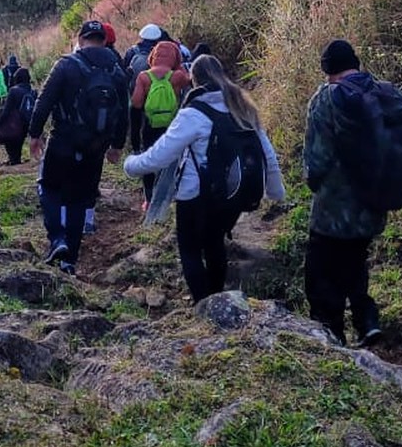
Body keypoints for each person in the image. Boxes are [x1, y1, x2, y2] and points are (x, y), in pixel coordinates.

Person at [125, 54, 285, 304]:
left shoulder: (194, 113)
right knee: (214, 243)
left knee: (190, 250)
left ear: (194, 80)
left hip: (195, 196)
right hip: (230, 195)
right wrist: (276, 191)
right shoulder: (242, 107)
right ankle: (217, 301)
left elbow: (159, 157)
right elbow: (268, 156)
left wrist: (130, 165)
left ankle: (203, 305)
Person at [29, 19, 129, 275]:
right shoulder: (117, 70)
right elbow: (124, 112)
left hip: (62, 141)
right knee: (79, 199)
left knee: (49, 187)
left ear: (80, 39)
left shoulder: (66, 65)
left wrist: (35, 134)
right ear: (104, 41)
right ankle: (69, 261)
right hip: (96, 146)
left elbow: (44, 101)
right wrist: (117, 145)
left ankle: (57, 239)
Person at [303, 39, 385, 347]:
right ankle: (367, 321)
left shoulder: (326, 99)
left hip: (332, 209)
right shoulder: (379, 92)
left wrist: (312, 181)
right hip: (372, 204)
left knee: (321, 274)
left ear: (327, 70)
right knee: (354, 262)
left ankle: (331, 338)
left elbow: (317, 159)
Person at [130, 39, 191, 203]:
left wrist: (134, 139)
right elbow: (190, 81)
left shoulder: (144, 77)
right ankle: (166, 197)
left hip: (149, 125)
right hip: (171, 126)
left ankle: (148, 199)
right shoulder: (177, 76)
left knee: (149, 159)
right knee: (170, 159)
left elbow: (136, 104)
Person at [122, 23, 166, 149]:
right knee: (149, 120)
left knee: (134, 120)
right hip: (153, 92)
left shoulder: (132, 51)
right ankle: (149, 146)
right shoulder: (160, 53)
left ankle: (135, 147)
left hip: (134, 91)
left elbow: (125, 70)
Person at [0, 66, 35, 164]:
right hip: (26, 122)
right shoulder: (33, 91)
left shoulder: (13, 91)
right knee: (18, 146)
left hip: (13, 124)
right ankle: (16, 161)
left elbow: (6, 110)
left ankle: (14, 163)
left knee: (11, 146)